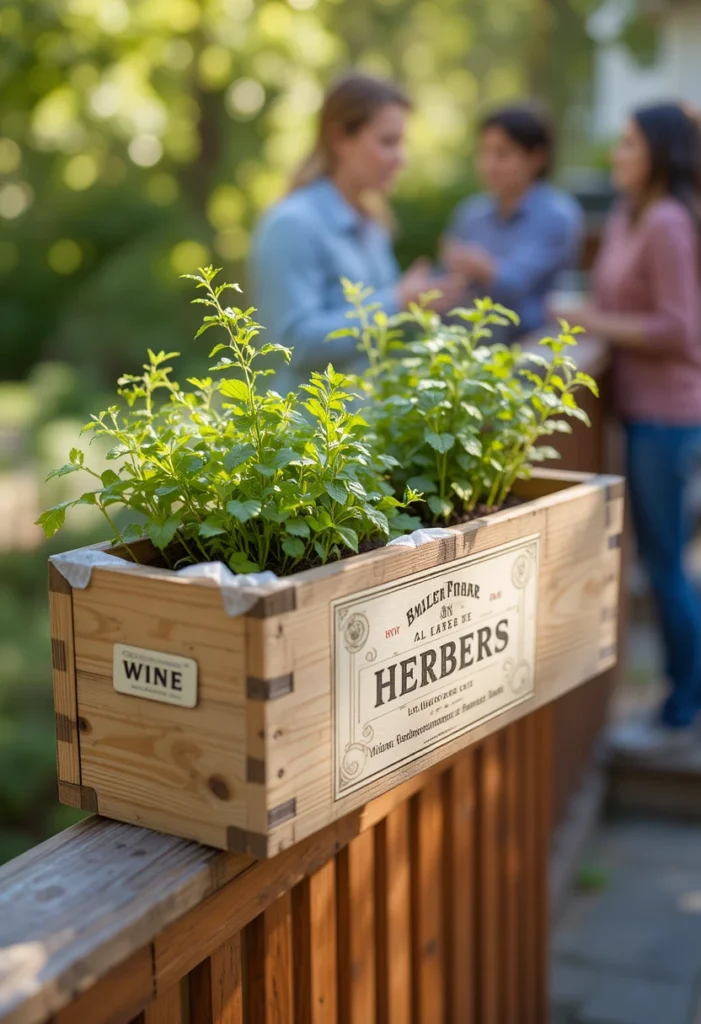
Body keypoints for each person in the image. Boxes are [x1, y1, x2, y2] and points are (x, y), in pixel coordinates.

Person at [553, 102, 701, 755]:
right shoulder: (625, 214)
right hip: (638, 411)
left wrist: (587, 319)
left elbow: (677, 329)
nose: (616, 152)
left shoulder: (668, 221)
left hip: (668, 415)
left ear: (658, 153)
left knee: (665, 566)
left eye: (628, 142)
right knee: (660, 562)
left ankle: (679, 708)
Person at [248, 72, 461, 385]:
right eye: (388, 141)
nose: (401, 158)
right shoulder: (291, 224)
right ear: (340, 139)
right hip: (307, 429)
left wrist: (420, 306)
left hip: (366, 425)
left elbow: (376, 338)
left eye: (402, 143)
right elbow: (294, 345)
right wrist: (397, 301)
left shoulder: (373, 225)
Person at [440, 102, 583, 338]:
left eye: (502, 154)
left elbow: (516, 285)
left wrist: (479, 267)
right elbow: (448, 279)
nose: (488, 165)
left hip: (533, 345)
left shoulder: (557, 215)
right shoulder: (471, 212)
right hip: (467, 338)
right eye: (484, 152)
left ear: (537, 158)